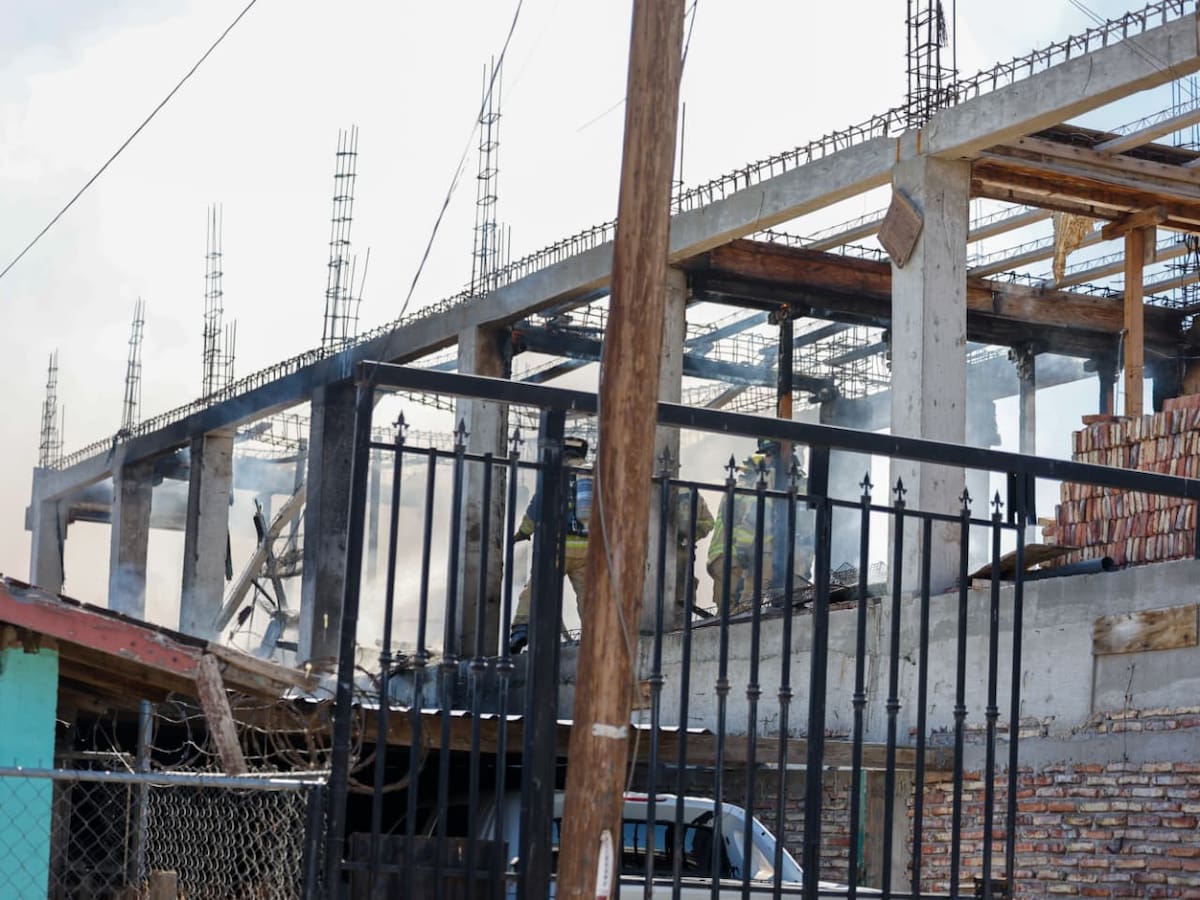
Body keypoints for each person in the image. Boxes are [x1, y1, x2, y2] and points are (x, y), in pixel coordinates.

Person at [509, 436, 591, 653]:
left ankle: (521, 630)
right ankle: (593, 634)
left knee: (536, 588)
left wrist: (522, 533)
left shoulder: (554, 474)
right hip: (587, 550)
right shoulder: (592, 475)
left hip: (556, 547)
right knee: (588, 595)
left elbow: (536, 508)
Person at [674, 487, 714, 614]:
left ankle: (681, 618)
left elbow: (709, 522)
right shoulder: (661, 490)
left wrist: (691, 532)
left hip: (683, 550)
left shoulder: (692, 495)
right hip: (666, 548)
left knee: (684, 584)